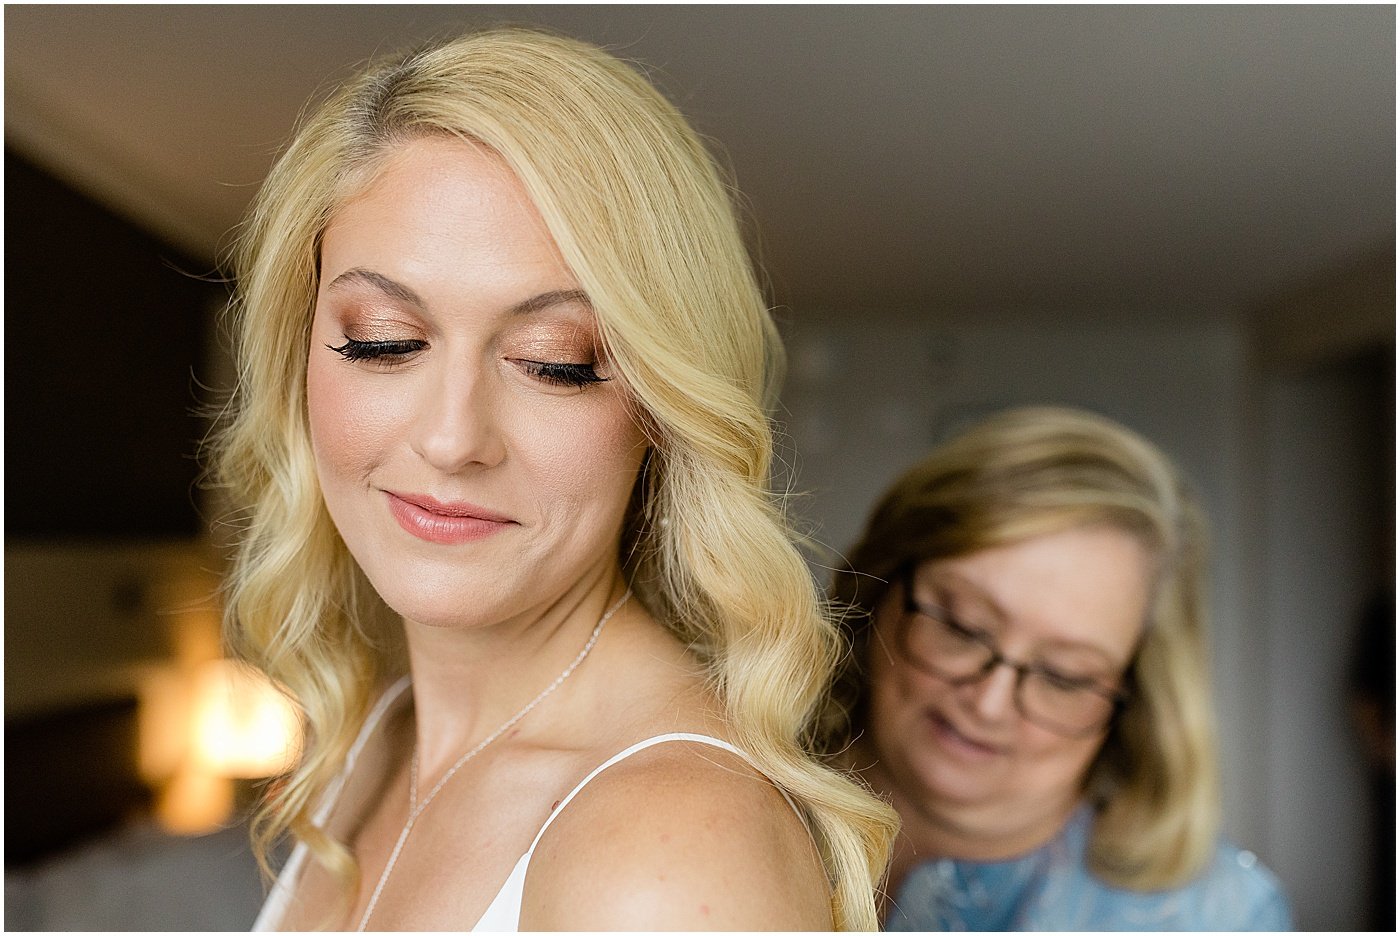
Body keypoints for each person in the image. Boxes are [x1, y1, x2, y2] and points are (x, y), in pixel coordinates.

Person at [212, 27, 895, 931]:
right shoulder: (383, 733)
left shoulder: (668, 847)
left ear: (659, 408)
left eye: (554, 362)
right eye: (384, 340)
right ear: (300, 355)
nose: (454, 439)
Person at [820, 406, 1291, 930]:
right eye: (961, 628)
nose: (988, 702)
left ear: (1135, 701)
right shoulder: (729, 790)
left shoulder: (1217, 918)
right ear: (877, 589)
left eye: (1062, 676)